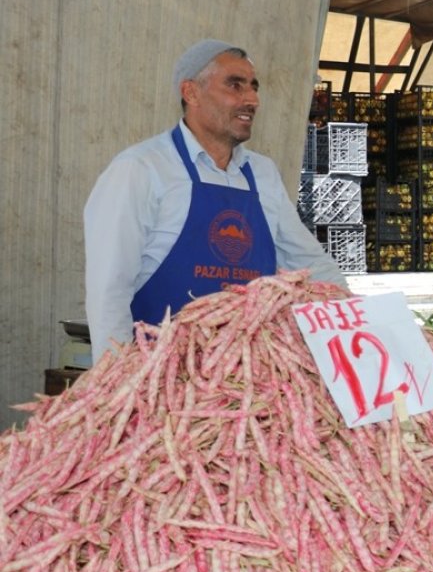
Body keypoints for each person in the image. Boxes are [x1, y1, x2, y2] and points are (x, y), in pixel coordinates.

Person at [85, 39, 347, 361]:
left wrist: (360, 324)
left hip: (245, 382)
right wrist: (116, 381)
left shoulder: (263, 174)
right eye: (235, 86)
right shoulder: (141, 169)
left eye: (254, 87)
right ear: (191, 92)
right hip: (159, 379)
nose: (251, 99)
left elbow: (313, 267)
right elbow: (109, 288)